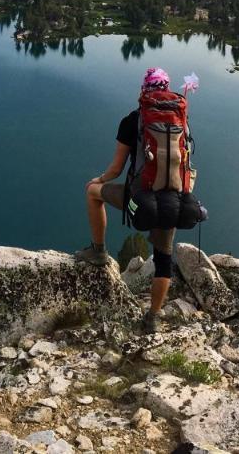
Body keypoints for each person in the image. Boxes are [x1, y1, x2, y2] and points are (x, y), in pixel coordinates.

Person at [75, 67, 194, 334]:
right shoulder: (181, 120)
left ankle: (98, 251)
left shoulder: (133, 120)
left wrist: (99, 179)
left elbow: (116, 169)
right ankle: (152, 317)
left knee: (93, 193)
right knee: (163, 259)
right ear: (167, 88)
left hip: (139, 197)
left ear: (144, 90)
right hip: (173, 199)